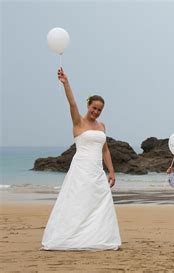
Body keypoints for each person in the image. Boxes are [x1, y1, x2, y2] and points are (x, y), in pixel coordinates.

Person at [41, 67, 121, 250]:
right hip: (80, 168)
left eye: (99, 110)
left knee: (99, 203)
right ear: (88, 106)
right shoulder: (78, 122)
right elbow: (72, 104)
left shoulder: (102, 126)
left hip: (96, 171)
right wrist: (66, 83)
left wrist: (111, 170)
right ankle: (70, 237)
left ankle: (96, 238)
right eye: (94, 108)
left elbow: (105, 150)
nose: (96, 112)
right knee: (77, 202)